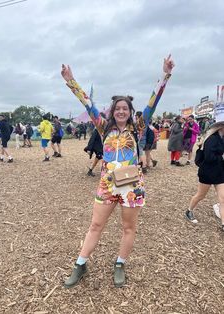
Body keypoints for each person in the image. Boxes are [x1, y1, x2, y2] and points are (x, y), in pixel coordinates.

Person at [61, 55, 174, 288]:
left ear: (131, 111)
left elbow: (153, 102)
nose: (121, 111)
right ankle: (80, 264)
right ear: (112, 111)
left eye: (125, 108)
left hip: (132, 186)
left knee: (128, 227)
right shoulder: (103, 128)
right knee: (95, 225)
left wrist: (164, 75)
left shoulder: (138, 127)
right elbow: (87, 104)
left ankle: (120, 263)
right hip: (107, 184)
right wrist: (71, 81)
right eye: (117, 108)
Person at [185, 118, 224, 231]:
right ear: (221, 126)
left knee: (222, 198)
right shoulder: (212, 139)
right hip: (208, 172)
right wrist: (222, 157)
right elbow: (208, 157)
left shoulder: (222, 138)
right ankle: (189, 211)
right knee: (200, 195)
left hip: (220, 172)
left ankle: (223, 224)